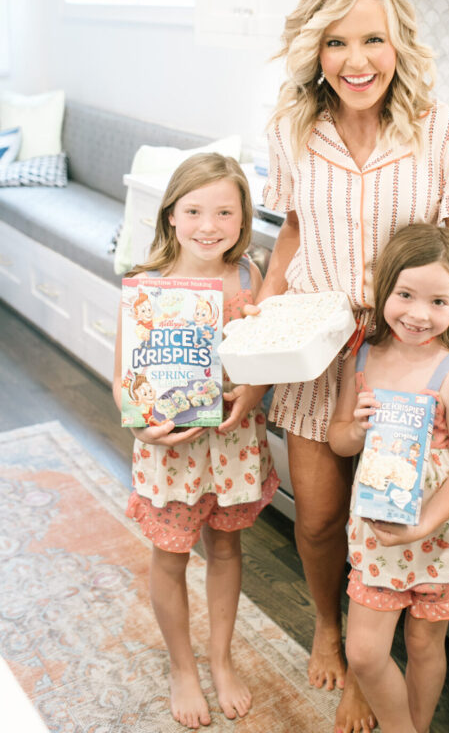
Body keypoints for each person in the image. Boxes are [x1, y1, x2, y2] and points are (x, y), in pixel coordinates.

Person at [230, 0, 449, 733]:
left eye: (371, 40)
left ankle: (370, 663)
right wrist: (259, 330)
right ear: (314, 52)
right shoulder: (292, 129)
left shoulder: (439, 128)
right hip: (316, 349)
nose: (355, 60)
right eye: (335, 42)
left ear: (398, 46)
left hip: (408, 356)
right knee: (321, 520)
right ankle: (331, 630)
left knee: (394, 512)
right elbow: (292, 235)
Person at [112, 153, 279, 730]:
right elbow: (122, 377)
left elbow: (263, 358)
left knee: (227, 549)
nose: (209, 226)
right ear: (171, 215)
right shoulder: (146, 285)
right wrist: (139, 425)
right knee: (171, 554)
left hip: (232, 444)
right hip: (171, 452)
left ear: (244, 218)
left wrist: (253, 394)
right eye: (194, 211)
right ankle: (183, 667)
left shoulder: (249, 276)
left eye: (225, 212)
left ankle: (220, 658)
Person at [328, 223, 449, 733]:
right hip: (379, 532)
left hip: (441, 532)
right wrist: (355, 430)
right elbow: (339, 439)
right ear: (385, 288)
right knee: (365, 653)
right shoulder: (362, 358)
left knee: (424, 643)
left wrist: (424, 523)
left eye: (437, 302)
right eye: (405, 295)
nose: (418, 314)